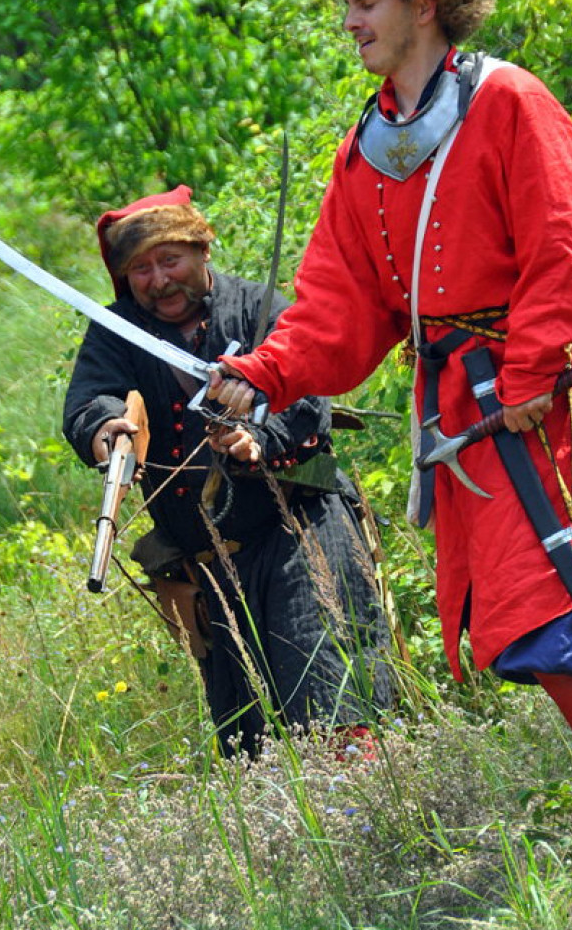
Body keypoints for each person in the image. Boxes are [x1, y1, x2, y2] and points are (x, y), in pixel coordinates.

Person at [208, 0, 572, 822]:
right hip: (462, 412)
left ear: (423, 2)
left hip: (526, 400)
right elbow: (339, 306)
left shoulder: (508, 101)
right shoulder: (365, 148)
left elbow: (570, 252)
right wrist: (267, 370)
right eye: (348, 3)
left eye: (366, 1)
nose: (351, 21)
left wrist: (534, 370)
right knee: (533, 614)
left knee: (549, 606)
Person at [62, 185, 394, 757]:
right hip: (210, 566)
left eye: (170, 260)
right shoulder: (117, 331)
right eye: (141, 268)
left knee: (334, 701)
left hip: (300, 532)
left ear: (202, 250)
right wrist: (107, 430)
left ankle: (359, 805)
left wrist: (256, 439)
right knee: (250, 744)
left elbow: (306, 394)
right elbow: (92, 399)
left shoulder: (258, 306)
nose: (159, 280)